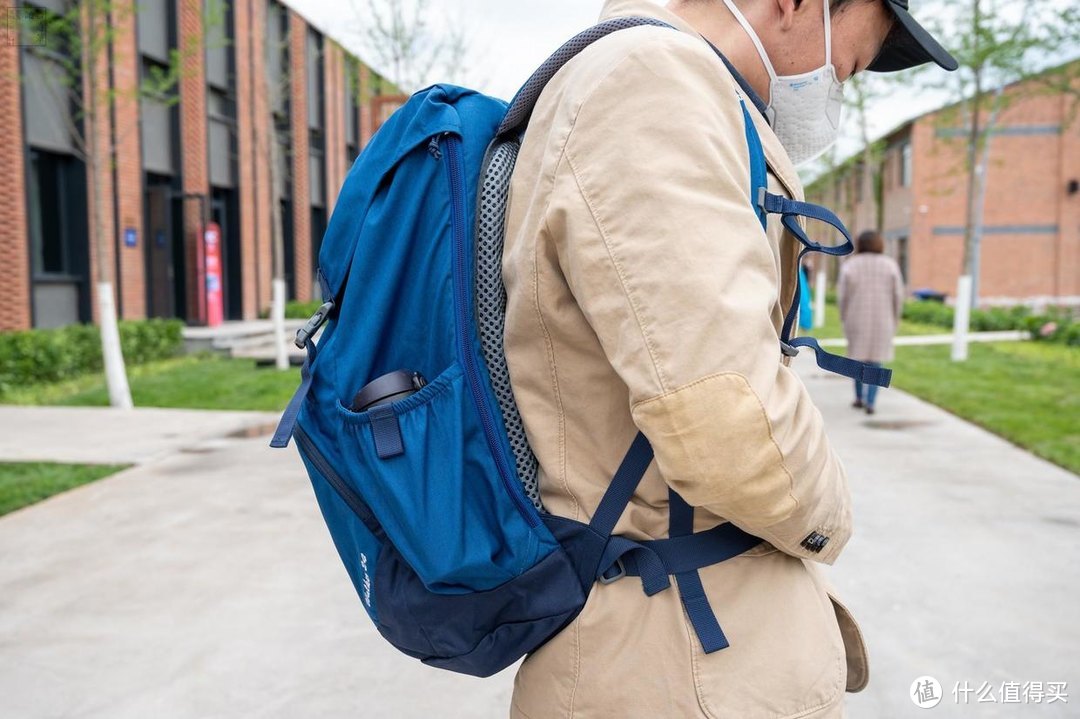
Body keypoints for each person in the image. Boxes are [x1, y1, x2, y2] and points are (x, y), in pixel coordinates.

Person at [502, 1, 956, 716]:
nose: (841, 84)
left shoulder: (663, 83)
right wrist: (833, 512)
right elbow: (728, 420)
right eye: (852, 65)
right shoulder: (651, 85)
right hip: (676, 657)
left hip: (678, 638)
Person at [838, 230, 906, 415]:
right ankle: (871, 401)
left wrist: (843, 316)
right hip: (883, 319)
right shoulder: (890, 265)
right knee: (876, 361)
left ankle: (859, 397)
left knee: (857, 359)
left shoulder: (850, 265)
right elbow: (898, 296)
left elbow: (842, 296)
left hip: (856, 317)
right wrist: (895, 318)